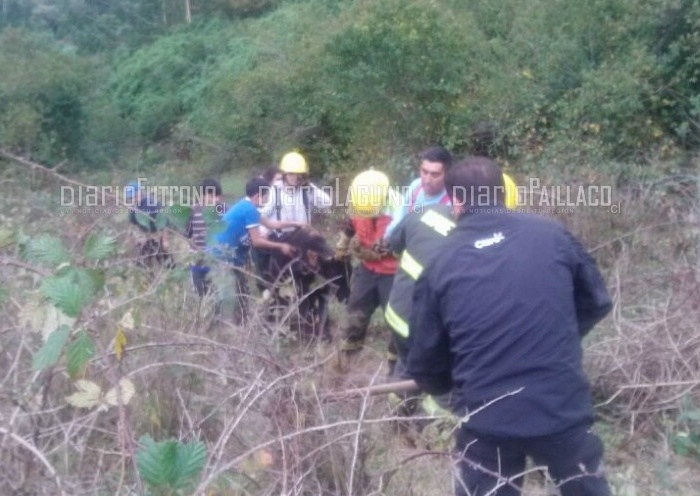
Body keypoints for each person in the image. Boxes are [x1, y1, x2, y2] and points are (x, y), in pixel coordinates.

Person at [406, 156, 612, 496]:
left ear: (455, 201)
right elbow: (597, 302)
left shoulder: (440, 265)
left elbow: (424, 363)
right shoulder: (553, 235)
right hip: (561, 407)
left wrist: (455, 387)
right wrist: (556, 340)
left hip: (487, 418)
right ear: (503, 193)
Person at [212, 177, 299, 325]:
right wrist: (281, 246)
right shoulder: (249, 210)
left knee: (241, 291)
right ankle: (223, 328)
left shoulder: (247, 206)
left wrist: (295, 223)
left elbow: (271, 224)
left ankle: (240, 324)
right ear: (258, 196)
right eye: (266, 196)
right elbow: (257, 241)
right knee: (227, 296)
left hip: (230, 257)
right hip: (222, 257)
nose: (267, 199)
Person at [335, 169, 399, 360]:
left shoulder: (400, 209)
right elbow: (351, 224)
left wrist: (373, 252)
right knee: (356, 310)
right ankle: (349, 356)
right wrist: (342, 245)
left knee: (398, 319)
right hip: (368, 270)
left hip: (394, 273)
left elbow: (405, 242)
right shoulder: (360, 198)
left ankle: (395, 364)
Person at [254, 151, 332, 288]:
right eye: (291, 174)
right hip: (282, 238)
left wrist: (311, 188)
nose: (295, 178)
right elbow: (262, 214)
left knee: (326, 258)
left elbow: (326, 203)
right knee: (279, 280)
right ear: (284, 174)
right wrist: (262, 231)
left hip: (304, 239)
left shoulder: (307, 189)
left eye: (299, 174)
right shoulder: (274, 191)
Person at [383, 146, 453, 240]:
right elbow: (400, 218)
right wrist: (386, 238)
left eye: (435, 175)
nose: (427, 180)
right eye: (424, 172)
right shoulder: (416, 186)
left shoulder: (452, 202)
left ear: (447, 174)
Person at [186, 178, 225, 297]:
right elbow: (188, 233)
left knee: (217, 292)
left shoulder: (223, 209)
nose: (215, 199)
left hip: (216, 259)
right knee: (200, 294)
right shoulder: (193, 210)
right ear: (203, 195)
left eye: (217, 196)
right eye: (211, 196)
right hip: (197, 258)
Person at [125, 180, 172, 267]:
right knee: (142, 264)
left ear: (139, 192)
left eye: (134, 196)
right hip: (145, 238)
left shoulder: (152, 204)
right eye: (130, 198)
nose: (133, 199)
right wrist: (132, 238)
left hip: (158, 236)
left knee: (166, 262)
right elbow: (132, 224)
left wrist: (165, 240)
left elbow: (165, 222)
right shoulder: (133, 208)